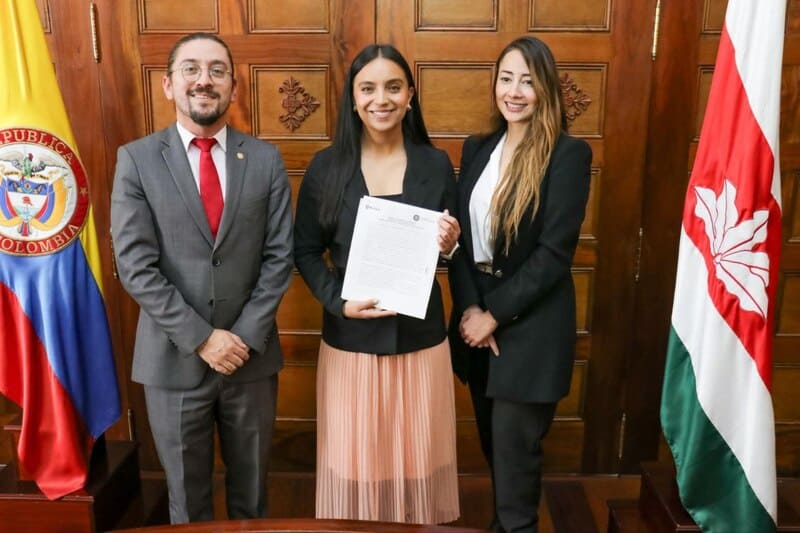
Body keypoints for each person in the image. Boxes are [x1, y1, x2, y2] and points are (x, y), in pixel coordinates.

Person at [110, 32, 293, 523]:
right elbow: (135, 266)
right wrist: (202, 339)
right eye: (190, 69)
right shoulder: (138, 160)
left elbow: (279, 258)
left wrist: (242, 337)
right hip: (173, 362)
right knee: (186, 504)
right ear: (168, 85)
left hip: (249, 361)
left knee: (251, 498)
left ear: (234, 86)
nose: (203, 80)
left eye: (216, 70)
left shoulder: (266, 160)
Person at [294, 44, 461, 524]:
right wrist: (337, 302)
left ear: (411, 95)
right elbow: (304, 250)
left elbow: (452, 252)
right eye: (368, 88)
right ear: (353, 98)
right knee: (358, 462)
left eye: (393, 87)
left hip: (421, 341)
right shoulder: (326, 167)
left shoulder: (435, 163)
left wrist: (449, 245)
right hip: (352, 344)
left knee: (418, 460)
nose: (380, 99)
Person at [448, 36, 592, 533]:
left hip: (530, 331)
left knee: (516, 466)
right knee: (498, 454)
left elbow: (553, 256)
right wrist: (470, 310)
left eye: (528, 81)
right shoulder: (477, 147)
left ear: (546, 89)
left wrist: (495, 314)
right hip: (477, 325)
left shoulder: (567, 155)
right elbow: (461, 242)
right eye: (506, 78)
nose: (514, 91)